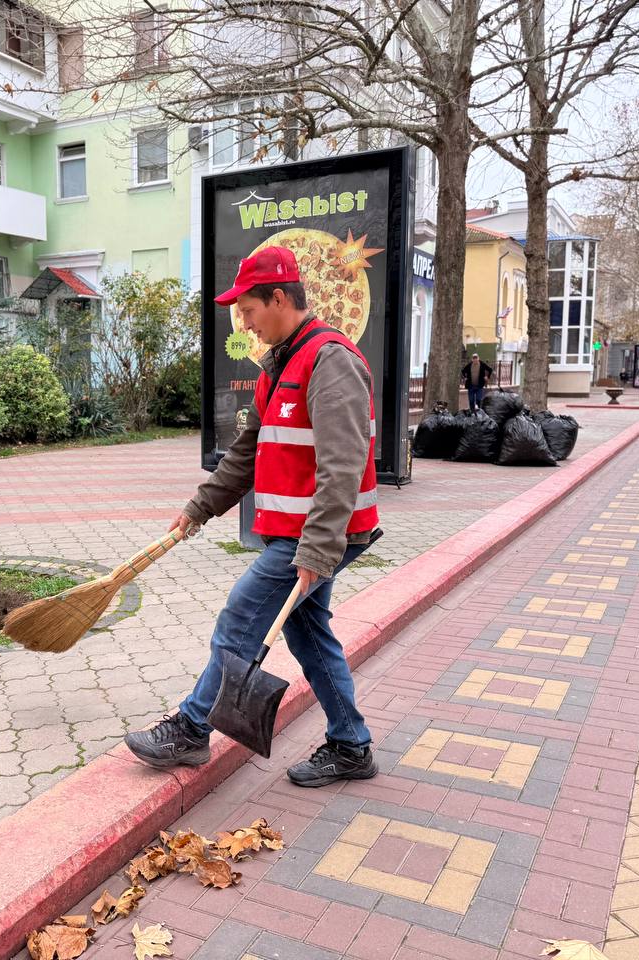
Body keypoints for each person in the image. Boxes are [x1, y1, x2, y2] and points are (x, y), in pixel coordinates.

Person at [125, 245, 380, 788]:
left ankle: (191, 730)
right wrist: (199, 508)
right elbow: (246, 453)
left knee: (241, 619)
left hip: (316, 535)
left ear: (280, 299)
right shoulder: (280, 365)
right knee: (308, 634)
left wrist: (317, 550)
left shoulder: (330, 360)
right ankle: (351, 745)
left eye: (248, 310)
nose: (243, 323)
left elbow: (342, 465)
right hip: (296, 534)